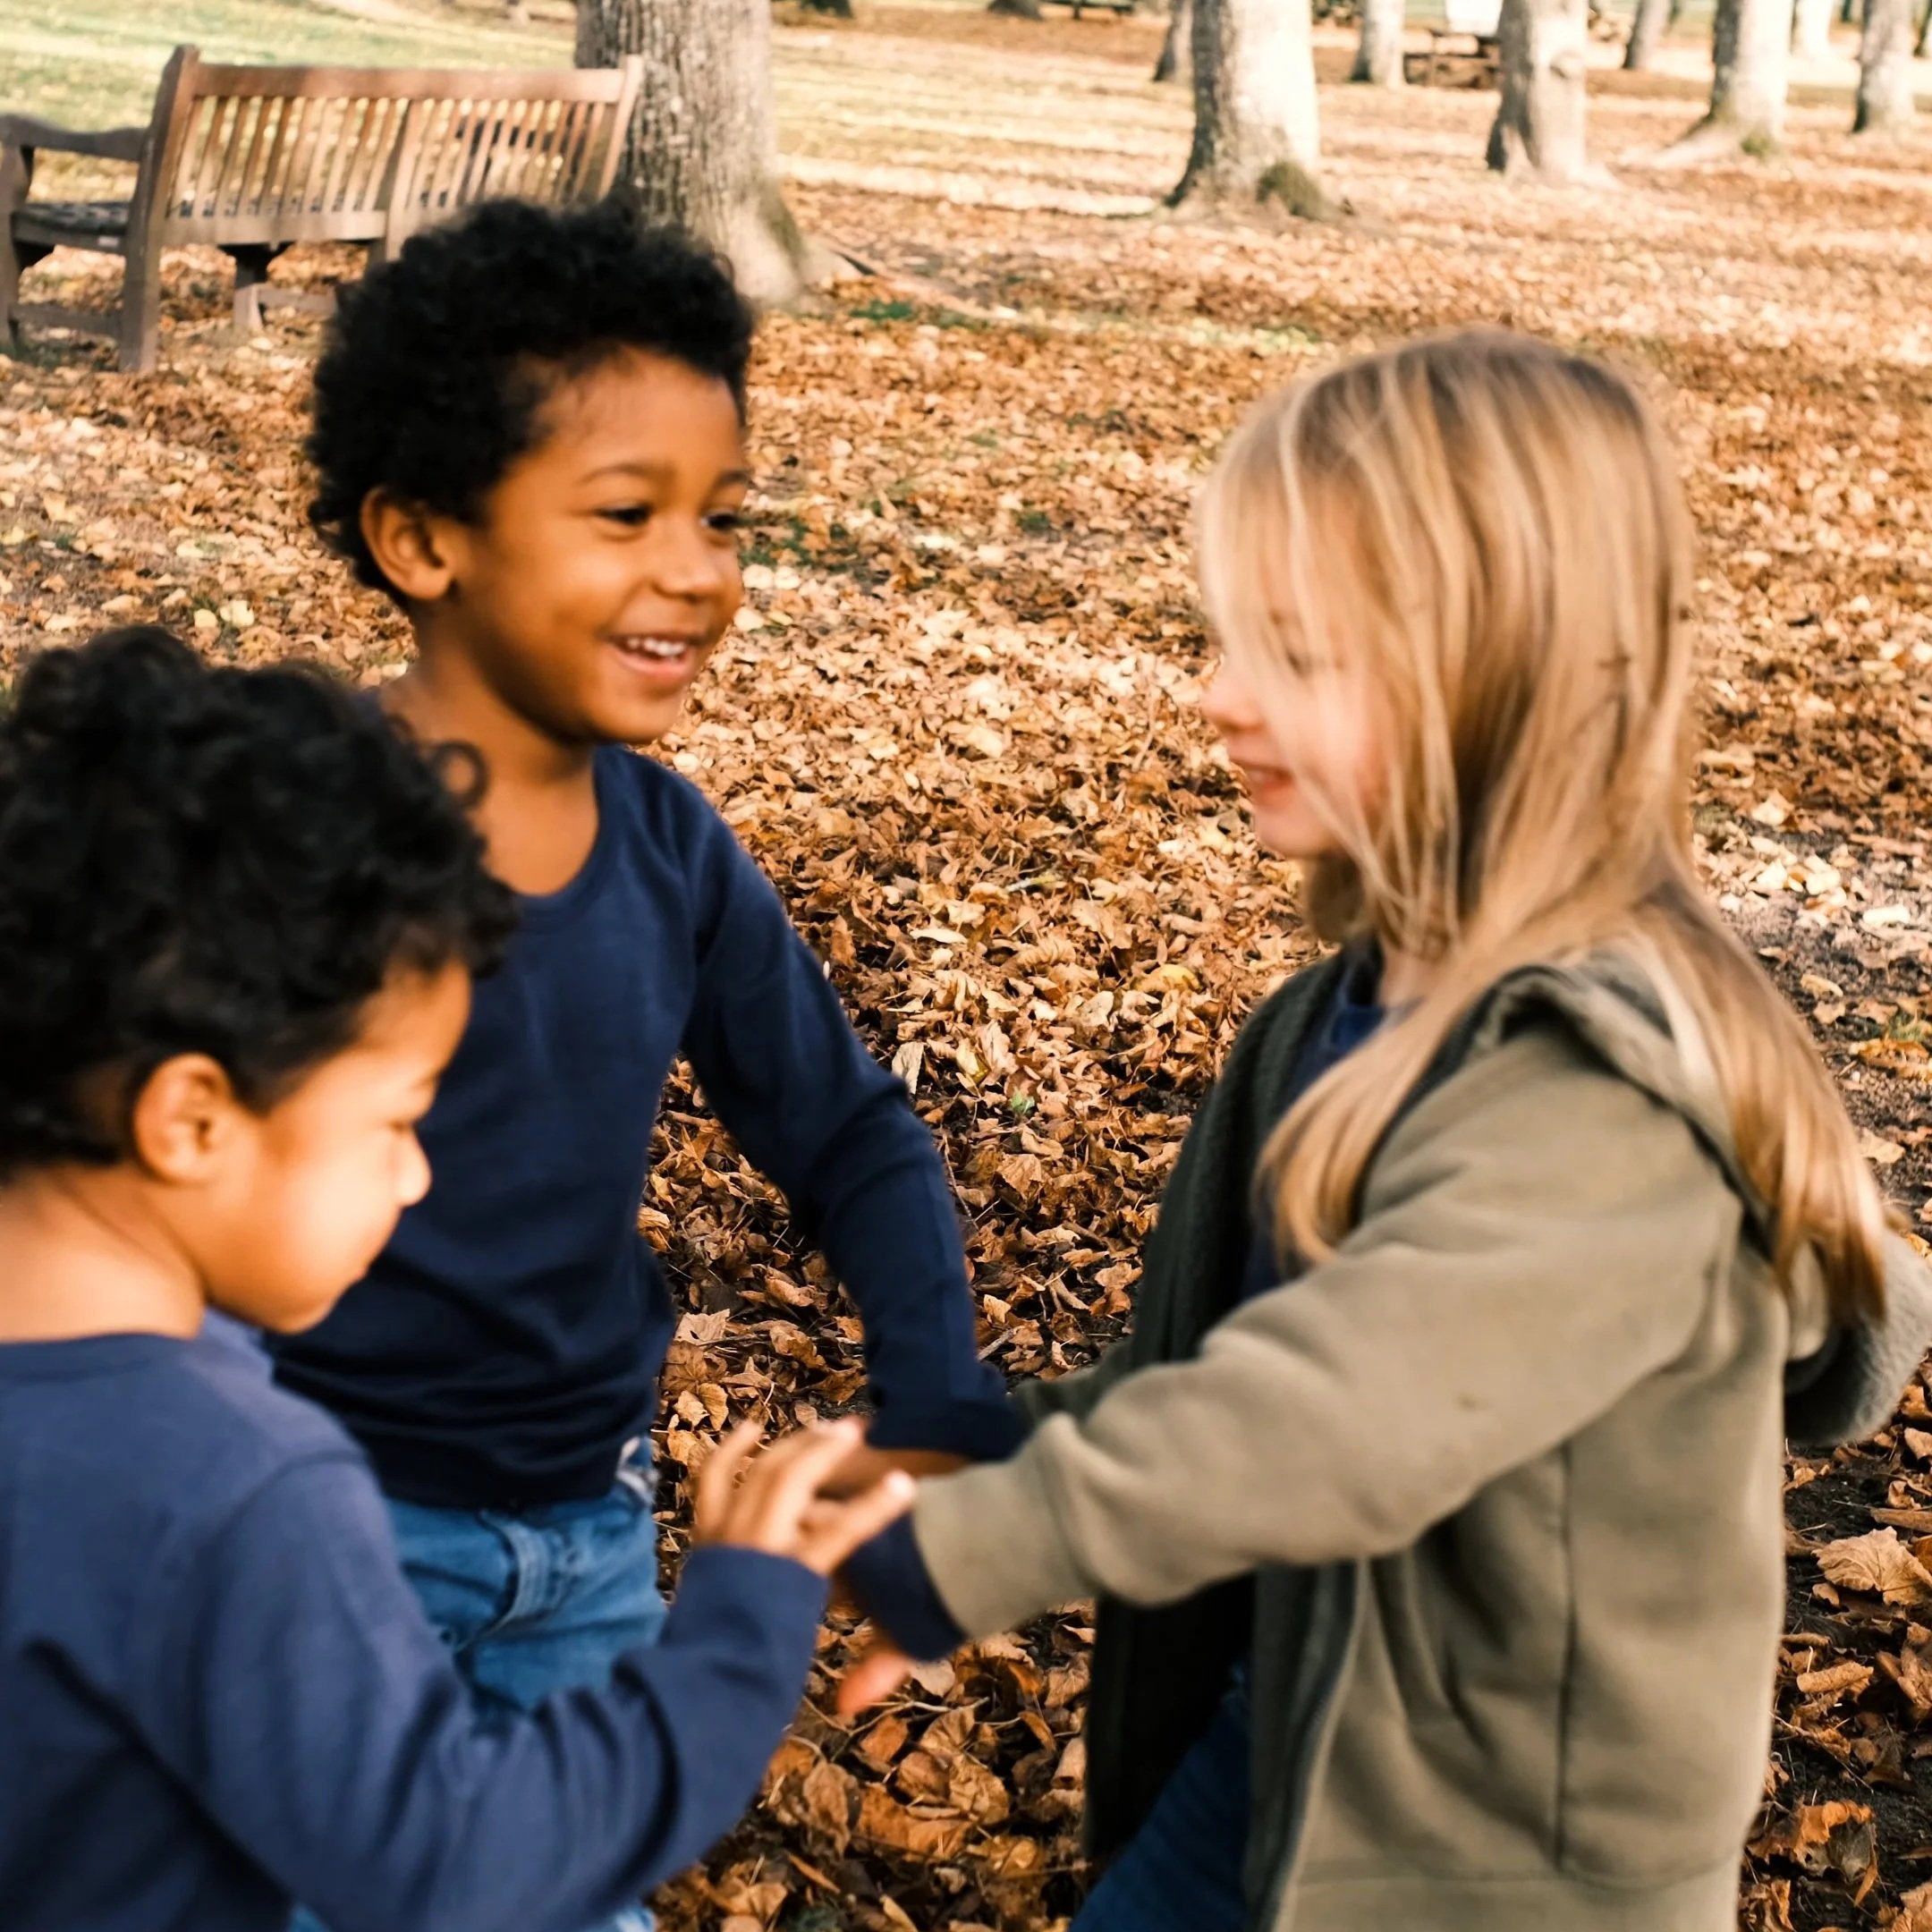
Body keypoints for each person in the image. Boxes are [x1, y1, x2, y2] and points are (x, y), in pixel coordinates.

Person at [837, 331, 1932, 1932]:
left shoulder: (1593, 1097)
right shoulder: (1338, 1018)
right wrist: (992, 1445)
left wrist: (979, 1546)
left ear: (1510, 672)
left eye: (1299, 652)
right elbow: (1233, 1372)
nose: (1220, 697)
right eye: (1229, 637)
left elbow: (1338, 1418)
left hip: (1488, 1877)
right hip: (1286, 1759)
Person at [278, 198, 1016, 1932]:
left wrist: (934, 1403)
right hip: (319, 1531)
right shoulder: (282, 825)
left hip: (589, 1534)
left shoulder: (668, 852)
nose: (700, 570)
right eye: (626, 516)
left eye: (725, 518)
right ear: (418, 539)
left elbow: (849, 1131)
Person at [0, 626, 912, 1932]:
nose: (418, 1177)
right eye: (392, 1123)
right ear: (191, 1119)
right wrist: (738, 1626)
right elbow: (458, 1860)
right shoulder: (239, 1489)